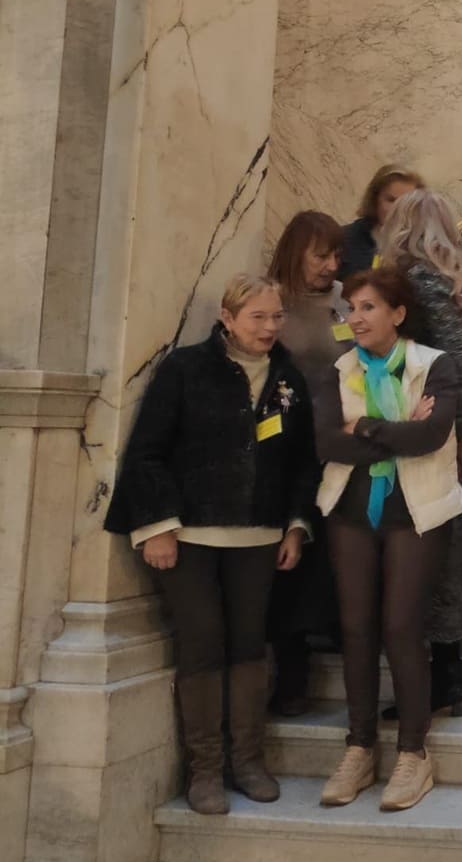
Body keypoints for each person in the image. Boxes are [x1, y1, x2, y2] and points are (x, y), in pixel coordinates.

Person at [104, 274, 316, 814]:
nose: (270, 328)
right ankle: (204, 771)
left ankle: (246, 761)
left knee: (250, 643)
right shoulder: (185, 369)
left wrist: (295, 524)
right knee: (202, 641)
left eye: (276, 317)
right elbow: (148, 450)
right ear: (227, 317)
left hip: (261, 534)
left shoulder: (289, 376)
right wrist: (156, 527)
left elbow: (300, 463)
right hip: (189, 534)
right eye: (257, 317)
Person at [313, 266, 462, 812]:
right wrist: (397, 429)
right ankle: (358, 748)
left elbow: (431, 435)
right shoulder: (339, 368)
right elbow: (328, 443)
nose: (355, 317)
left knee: (401, 628)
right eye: (350, 308)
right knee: (356, 629)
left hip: (417, 511)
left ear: (397, 313)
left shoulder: (435, 366)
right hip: (351, 511)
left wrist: (369, 429)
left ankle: (412, 754)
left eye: (368, 307)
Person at [380, 189, 462, 717]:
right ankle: (445, 679)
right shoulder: (454, 282)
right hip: (443, 433)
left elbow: (460, 367)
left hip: (440, 440)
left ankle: (446, 680)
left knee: (439, 560)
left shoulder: (420, 282)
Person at [265, 211, 353, 715]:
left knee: (336, 552)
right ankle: (293, 672)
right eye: (320, 255)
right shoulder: (273, 301)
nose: (329, 265)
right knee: (292, 564)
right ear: (296, 251)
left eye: (336, 255)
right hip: (290, 449)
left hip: (343, 446)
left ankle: (340, 633)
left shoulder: (346, 299)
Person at [340, 165, 423, 280]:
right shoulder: (344, 239)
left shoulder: (424, 248)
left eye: (407, 202)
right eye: (391, 200)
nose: (398, 208)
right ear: (374, 199)